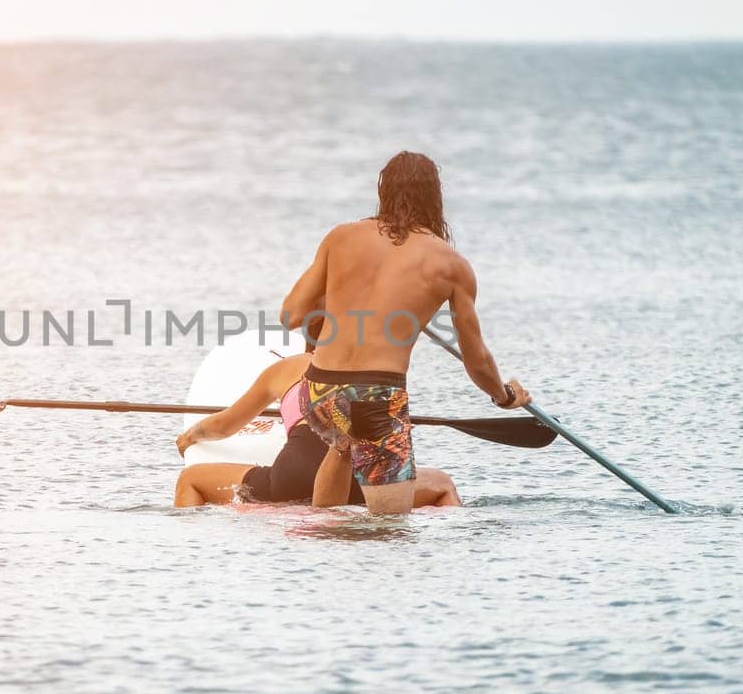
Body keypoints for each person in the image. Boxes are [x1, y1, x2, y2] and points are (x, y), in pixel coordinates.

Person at [280, 151, 531, 514]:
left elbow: (291, 315)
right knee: (390, 532)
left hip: (318, 392)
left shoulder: (339, 238)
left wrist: (339, 295)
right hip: (377, 398)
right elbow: (476, 361)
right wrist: (504, 397)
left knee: (344, 445)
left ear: (384, 191)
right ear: (435, 198)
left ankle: (319, 562)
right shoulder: (451, 265)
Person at [171, 333, 462, 509]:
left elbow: (223, 426)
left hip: (289, 478)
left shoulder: (288, 367)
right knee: (444, 484)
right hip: (359, 487)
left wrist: (190, 437)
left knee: (190, 479)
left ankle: (193, 555)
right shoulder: (374, 371)